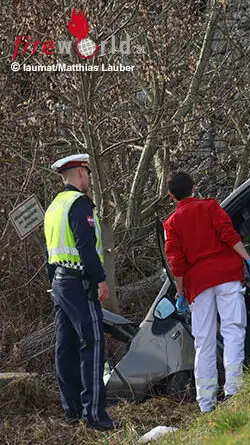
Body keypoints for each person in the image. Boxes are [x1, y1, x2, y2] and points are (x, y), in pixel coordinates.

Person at [163, 171, 250, 413]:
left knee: (204, 342)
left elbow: (176, 262)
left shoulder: (171, 224)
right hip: (227, 275)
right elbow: (229, 234)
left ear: (171, 196)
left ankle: (206, 402)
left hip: (198, 285)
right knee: (233, 330)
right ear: (194, 187)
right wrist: (248, 259)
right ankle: (234, 388)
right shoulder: (211, 207)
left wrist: (180, 292)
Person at [43, 154, 119, 430]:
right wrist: (100, 280)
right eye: (86, 174)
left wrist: (52, 283)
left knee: (65, 347)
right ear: (81, 174)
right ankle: (95, 416)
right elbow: (85, 246)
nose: (88, 179)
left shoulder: (54, 207)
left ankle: (72, 411)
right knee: (93, 342)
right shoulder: (78, 203)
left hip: (60, 281)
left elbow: (49, 250)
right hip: (79, 281)